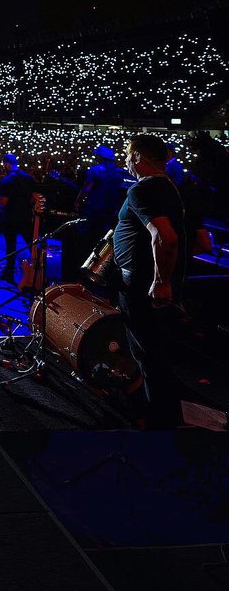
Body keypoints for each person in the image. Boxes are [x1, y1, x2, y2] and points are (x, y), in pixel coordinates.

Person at [112, 134, 188, 429]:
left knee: (148, 355)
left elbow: (165, 236)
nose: (127, 161)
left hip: (143, 286)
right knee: (155, 352)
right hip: (147, 282)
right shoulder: (168, 187)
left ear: (139, 157)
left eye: (128, 155)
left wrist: (161, 282)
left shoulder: (142, 191)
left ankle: (162, 424)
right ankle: (165, 415)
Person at [67, 144, 133, 281]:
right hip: (110, 212)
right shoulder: (118, 172)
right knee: (103, 243)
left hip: (93, 211)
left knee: (86, 242)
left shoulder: (95, 171)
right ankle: (99, 270)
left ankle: (84, 273)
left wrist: (78, 201)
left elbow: (86, 189)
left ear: (100, 157)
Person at [0, 153, 37, 282]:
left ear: (6, 164)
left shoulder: (6, 180)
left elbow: (4, 201)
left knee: (11, 245)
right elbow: (33, 199)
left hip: (10, 217)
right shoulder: (29, 178)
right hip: (26, 216)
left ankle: (9, 272)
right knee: (31, 244)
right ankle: (38, 271)